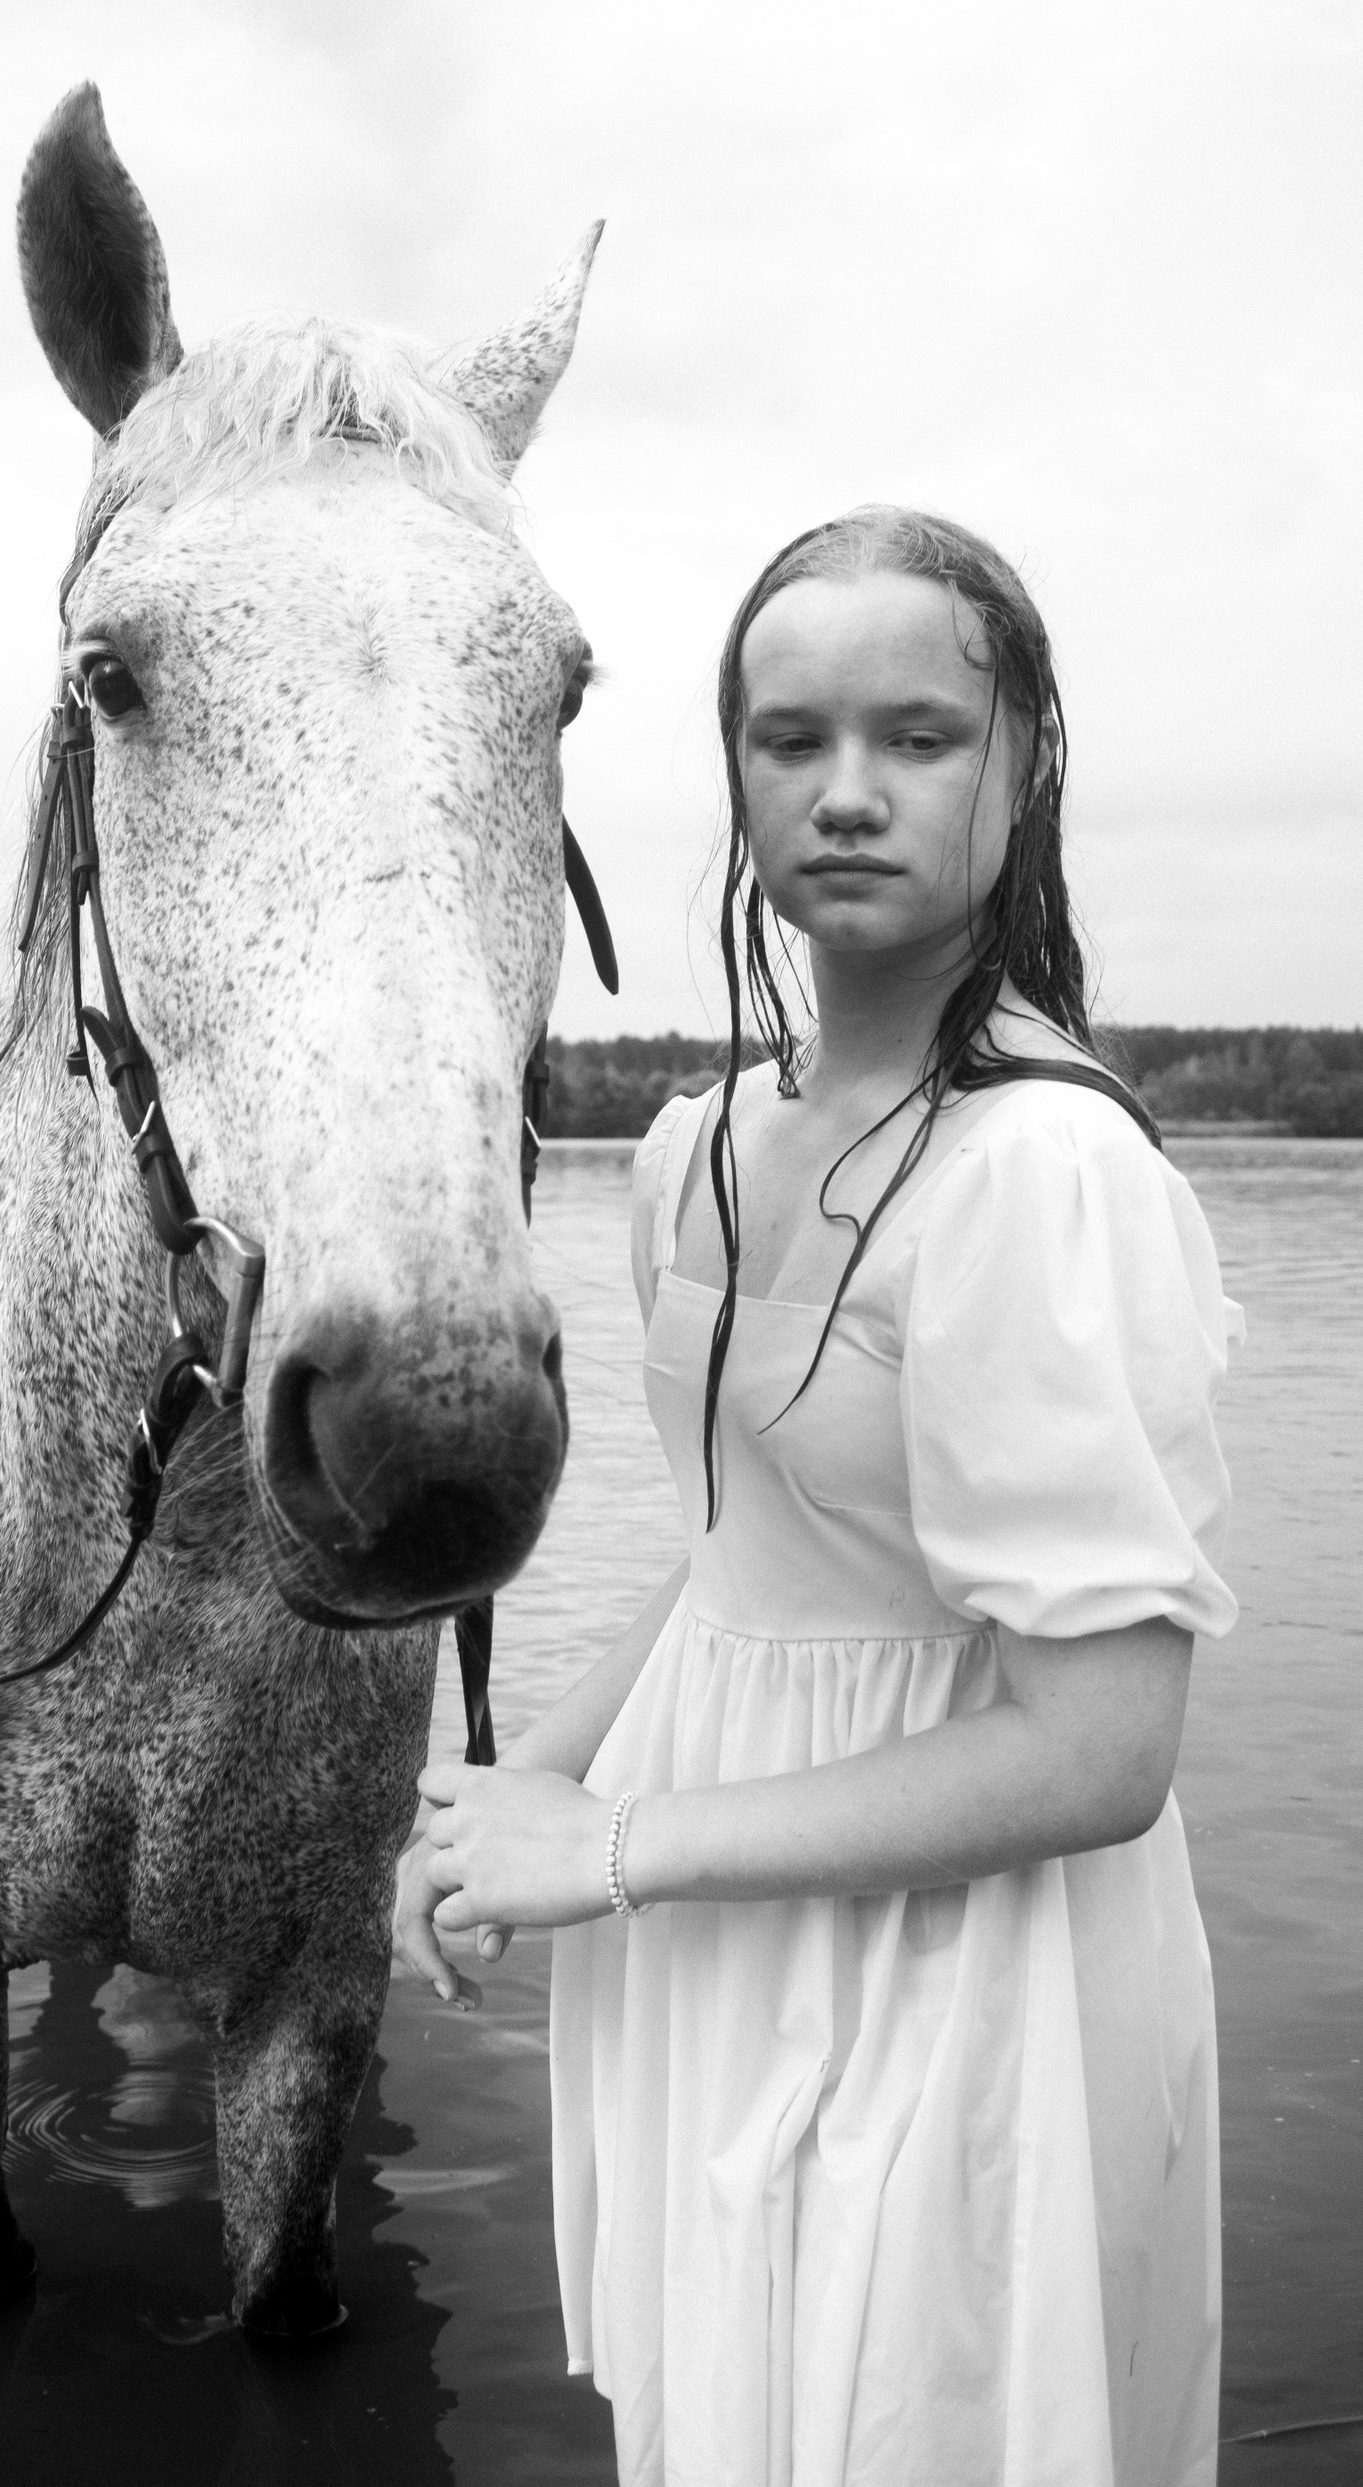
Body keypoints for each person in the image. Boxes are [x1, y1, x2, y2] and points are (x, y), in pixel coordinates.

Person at [395, 506, 1240, 2487]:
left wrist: (612, 1845)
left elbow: (1099, 1744)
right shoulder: (686, 1148)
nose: (845, 788)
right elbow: (738, 1569)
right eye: (789, 739)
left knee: (916, 2415)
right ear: (735, 775)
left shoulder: (1037, 1169)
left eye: (918, 735)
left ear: (1022, 763)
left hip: (973, 1968)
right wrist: (491, 1807)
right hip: (721, 1914)